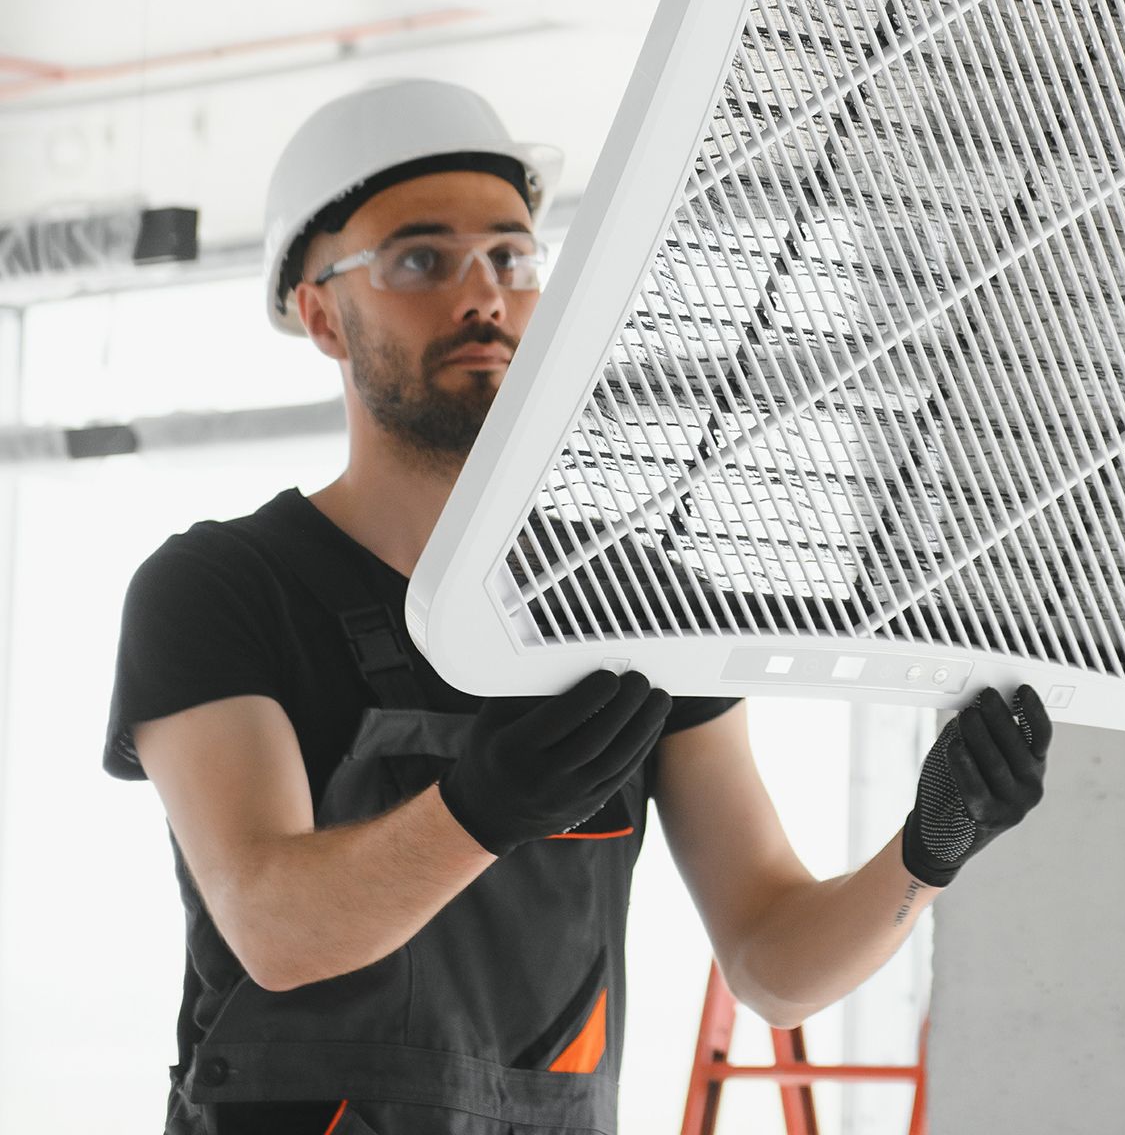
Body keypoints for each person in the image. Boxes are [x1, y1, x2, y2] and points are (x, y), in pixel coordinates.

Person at [104, 78, 1051, 1135]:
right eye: (420, 259)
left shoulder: (629, 603)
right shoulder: (220, 590)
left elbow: (773, 963)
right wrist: (477, 811)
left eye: (511, 256)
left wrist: (927, 850)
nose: (484, 296)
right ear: (323, 313)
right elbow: (274, 928)